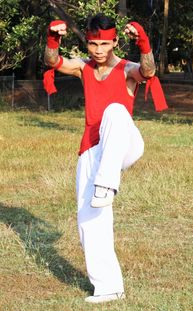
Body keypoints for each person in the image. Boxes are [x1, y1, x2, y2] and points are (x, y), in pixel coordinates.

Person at [43, 13, 167, 304]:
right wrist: (52, 39)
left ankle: (107, 184)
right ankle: (109, 288)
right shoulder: (84, 67)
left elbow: (148, 73)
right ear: (87, 42)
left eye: (105, 44)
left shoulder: (126, 68)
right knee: (88, 220)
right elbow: (53, 61)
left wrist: (145, 44)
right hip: (91, 150)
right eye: (93, 44)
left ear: (114, 42)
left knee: (114, 110)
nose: (99, 50)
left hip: (125, 143)